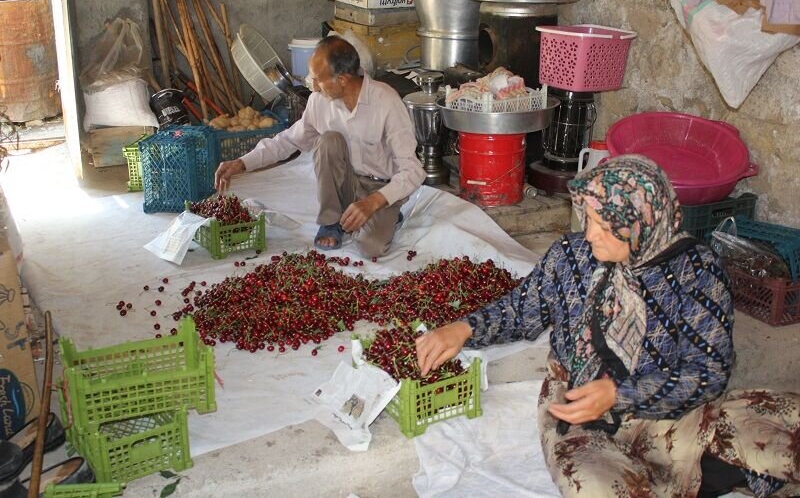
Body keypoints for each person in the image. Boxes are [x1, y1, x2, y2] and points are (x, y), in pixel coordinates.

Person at [416, 155, 799, 498]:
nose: (590, 235)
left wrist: (620, 393)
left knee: (775, 438)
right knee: (595, 486)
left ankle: (700, 473)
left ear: (644, 223)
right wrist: (465, 328)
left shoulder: (696, 270)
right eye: (588, 219)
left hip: (668, 410)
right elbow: (522, 310)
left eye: (605, 225)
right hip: (582, 412)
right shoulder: (571, 257)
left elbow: (708, 373)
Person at [214, 36, 425, 258]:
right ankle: (331, 221)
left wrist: (374, 202)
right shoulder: (319, 101)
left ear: (342, 79)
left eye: (317, 80)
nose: (313, 87)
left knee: (371, 248)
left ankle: (388, 212)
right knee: (328, 140)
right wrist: (242, 163)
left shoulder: (386, 101)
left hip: (380, 186)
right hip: (346, 182)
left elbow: (413, 171)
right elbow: (289, 140)